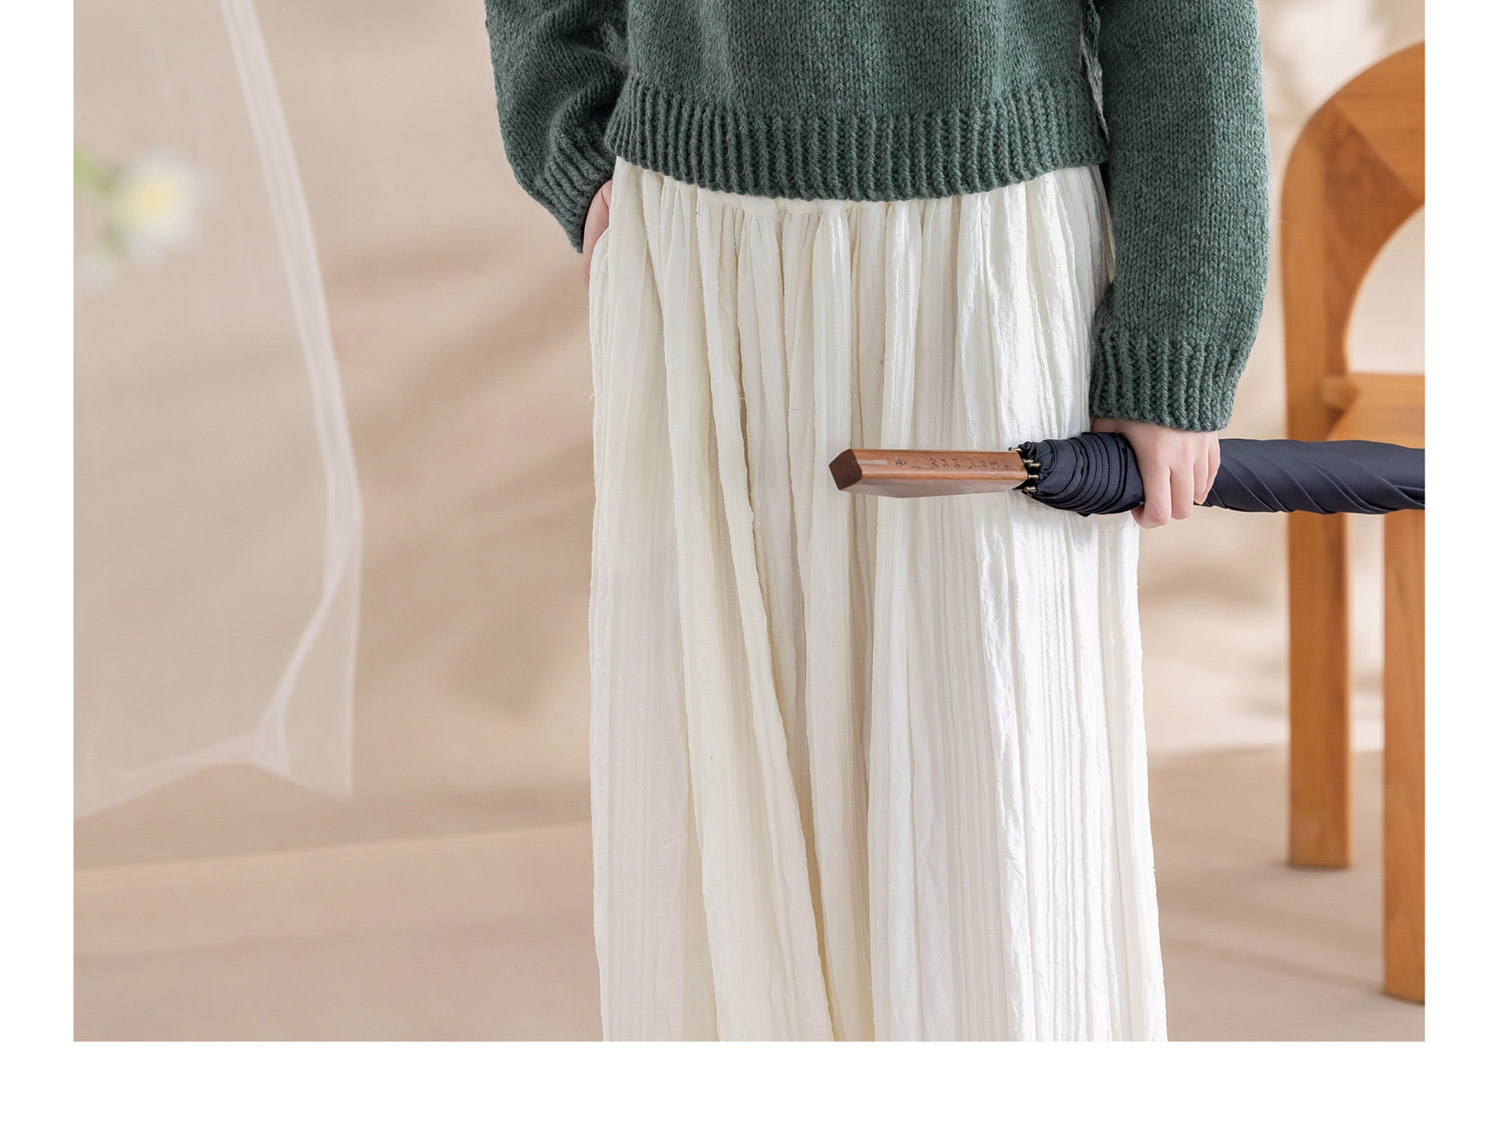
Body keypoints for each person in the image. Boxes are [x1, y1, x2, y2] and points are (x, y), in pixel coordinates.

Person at [483, 0, 1270, 1040]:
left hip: (983, 254)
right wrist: (571, 134)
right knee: (733, 798)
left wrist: (1182, 322)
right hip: (701, 246)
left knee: (986, 814)